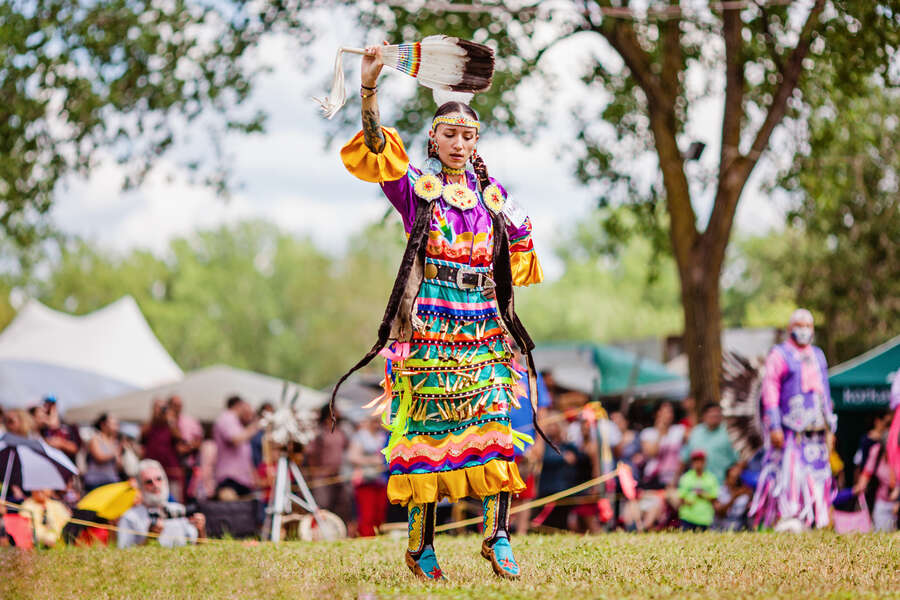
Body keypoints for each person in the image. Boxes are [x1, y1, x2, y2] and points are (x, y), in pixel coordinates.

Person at [332, 42, 545, 582]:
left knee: (495, 429)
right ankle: (421, 546)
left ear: (477, 142)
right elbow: (377, 146)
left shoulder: (494, 195)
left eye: (467, 135)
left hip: (484, 328)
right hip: (431, 327)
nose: (457, 142)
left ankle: (496, 536)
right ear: (433, 136)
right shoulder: (417, 191)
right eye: (449, 133)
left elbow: (523, 245)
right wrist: (369, 86)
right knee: (428, 435)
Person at [749, 309, 836, 530]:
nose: (804, 329)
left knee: (816, 479)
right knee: (790, 479)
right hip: (789, 432)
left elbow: (825, 392)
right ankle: (788, 520)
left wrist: (830, 428)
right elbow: (770, 390)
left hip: (816, 433)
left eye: (808, 326)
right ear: (790, 329)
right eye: (799, 325)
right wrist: (774, 425)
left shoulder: (817, 355)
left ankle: (814, 521)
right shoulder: (780, 354)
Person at [118, 459, 206, 548]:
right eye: (149, 482)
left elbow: (198, 550)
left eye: (159, 479)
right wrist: (149, 539)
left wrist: (201, 531)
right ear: (140, 486)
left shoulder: (178, 509)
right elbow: (124, 554)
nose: (155, 485)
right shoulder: (130, 517)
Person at [852, 408, 899, 532]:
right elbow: (866, 474)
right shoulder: (876, 451)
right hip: (882, 503)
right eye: (887, 425)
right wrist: (857, 487)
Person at [304, 406, 352, 525]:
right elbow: (310, 453)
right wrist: (315, 471)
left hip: (338, 475)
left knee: (342, 505)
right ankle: (319, 530)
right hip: (322, 475)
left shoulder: (340, 432)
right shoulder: (319, 433)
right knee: (322, 504)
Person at [348, 416, 389, 537]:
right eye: (374, 421)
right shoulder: (361, 436)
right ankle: (366, 537)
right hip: (365, 481)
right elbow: (353, 457)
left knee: (379, 513)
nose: (377, 425)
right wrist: (372, 460)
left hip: (381, 481)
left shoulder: (383, 436)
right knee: (367, 514)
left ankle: (376, 536)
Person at [212, 396, 259, 498]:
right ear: (239, 405)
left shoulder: (238, 425)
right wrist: (256, 426)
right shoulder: (227, 418)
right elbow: (235, 439)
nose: (250, 412)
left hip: (241, 480)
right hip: (230, 480)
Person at [681, 404, 739, 486]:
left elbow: (740, 459)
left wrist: (735, 473)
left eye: (717, 414)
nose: (714, 416)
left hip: (722, 485)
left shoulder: (730, 432)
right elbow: (683, 458)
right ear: (704, 416)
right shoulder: (696, 432)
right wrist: (674, 481)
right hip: (697, 487)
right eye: (711, 414)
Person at [141, 398, 184, 501]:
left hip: (170, 470)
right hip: (152, 472)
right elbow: (142, 435)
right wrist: (154, 417)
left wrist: (170, 419)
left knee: (174, 501)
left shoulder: (171, 424)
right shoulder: (149, 425)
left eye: (163, 408)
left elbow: (179, 438)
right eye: (158, 407)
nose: (161, 410)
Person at [169, 395, 203, 500]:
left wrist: (189, 446)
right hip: (171, 467)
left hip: (187, 467)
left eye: (179, 405)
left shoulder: (189, 421)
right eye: (175, 405)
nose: (177, 407)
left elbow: (199, 440)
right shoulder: (167, 422)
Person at [677, 450, 718, 531]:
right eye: (695, 461)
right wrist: (688, 501)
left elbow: (714, 499)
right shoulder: (686, 478)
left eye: (700, 460)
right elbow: (681, 498)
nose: (698, 463)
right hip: (688, 517)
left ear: (704, 462)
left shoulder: (711, 478)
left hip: (705, 518)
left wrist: (703, 495)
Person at [84, 413, 123, 491]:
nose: (115, 427)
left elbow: (119, 467)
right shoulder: (95, 439)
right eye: (112, 424)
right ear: (103, 424)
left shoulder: (115, 442)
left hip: (112, 480)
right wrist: (114, 454)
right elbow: (99, 458)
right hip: (96, 482)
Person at [713, 463, 753, 531]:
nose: (735, 480)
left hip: (739, 531)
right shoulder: (720, 491)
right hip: (721, 530)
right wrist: (733, 498)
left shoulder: (745, 493)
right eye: (733, 477)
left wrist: (750, 497)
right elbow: (719, 512)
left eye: (737, 477)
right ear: (727, 478)